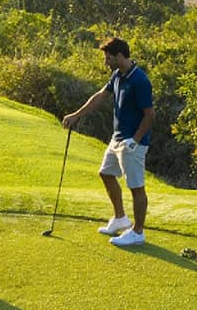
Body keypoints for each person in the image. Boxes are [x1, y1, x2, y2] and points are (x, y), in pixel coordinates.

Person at [62, 35, 154, 249]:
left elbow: (150, 115)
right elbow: (100, 96)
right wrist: (76, 115)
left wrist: (136, 139)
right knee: (106, 173)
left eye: (108, 57)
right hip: (117, 138)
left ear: (119, 55)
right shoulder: (117, 75)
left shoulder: (140, 80)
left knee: (136, 187)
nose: (105, 62)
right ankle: (120, 218)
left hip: (133, 142)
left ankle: (138, 232)